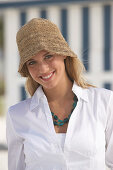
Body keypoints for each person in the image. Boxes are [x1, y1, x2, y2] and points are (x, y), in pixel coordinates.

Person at [6, 18, 113, 170]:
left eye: (48, 56)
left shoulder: (104, 102)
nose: (42, 69)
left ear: (63, 54)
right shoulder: (17, 115)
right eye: (32, 62)